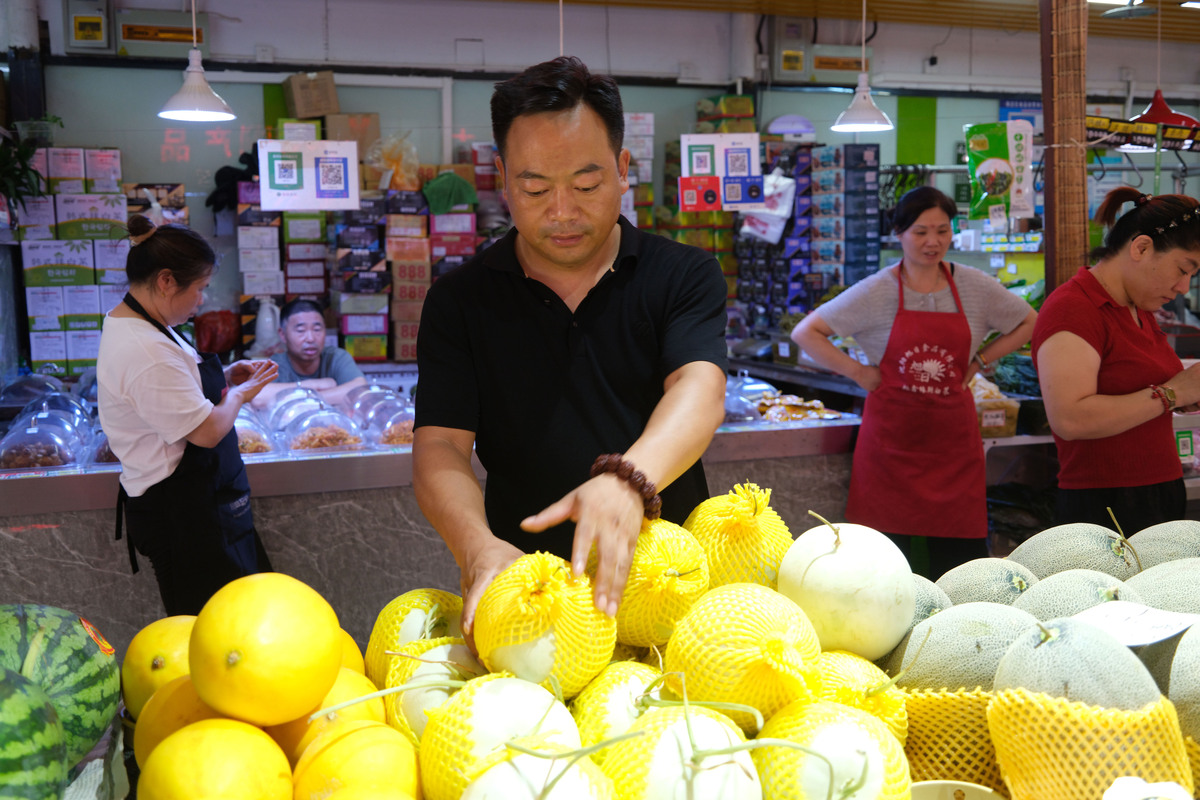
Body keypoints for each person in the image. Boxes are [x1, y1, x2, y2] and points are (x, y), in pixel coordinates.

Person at [412, 56, 728, 637]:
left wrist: (628, 480)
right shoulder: (460, 300)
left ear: (622, 168)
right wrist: (476, 548)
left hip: (672, 592)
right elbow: (440, 448)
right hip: (529, 596)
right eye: (535, 188)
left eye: (586, 185)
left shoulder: (681, 275)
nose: (562, 212)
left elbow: (700, 388)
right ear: (504, 178)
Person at [791, 186, 1037, 579]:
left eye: (942, 230)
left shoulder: (974, 286)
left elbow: (1030, 322)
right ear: (899, 233)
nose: (933, 242)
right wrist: (860, 373)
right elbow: (807, 332)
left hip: (952, 448)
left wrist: (980, 360)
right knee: (882, 566)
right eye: (921, 232)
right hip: (890, 450)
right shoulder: (877, 290)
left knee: (960, 566)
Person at [98, 215, 279, 615]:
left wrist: (227, 376)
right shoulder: (143, 347)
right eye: (199, 288)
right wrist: (239, 395)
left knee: (241, 619)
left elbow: (177, 386)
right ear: (165, 281)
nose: (202, 300)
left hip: (201, 504)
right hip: (181, 515)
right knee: (213, 630)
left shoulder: (145, 320)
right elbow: (208, 431)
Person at [1033, 186, 1200, 532]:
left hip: (1158, 493)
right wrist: (1171, 394)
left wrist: (1183, 395)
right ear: (1141, 247)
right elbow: (1070, 418)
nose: (1184, 287)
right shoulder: (1073, 309)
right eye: (1183, 269)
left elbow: (1144, 388)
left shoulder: (1139, 308)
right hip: (1105, 506)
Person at [251, 298, 367, 410]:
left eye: (317, 329)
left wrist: (305, 399)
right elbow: (257, 397)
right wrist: (313, 385)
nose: (310, 339)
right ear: (282, 335)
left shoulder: (336, 357)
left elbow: (361, 389)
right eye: (301, 331)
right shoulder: (276, 365)